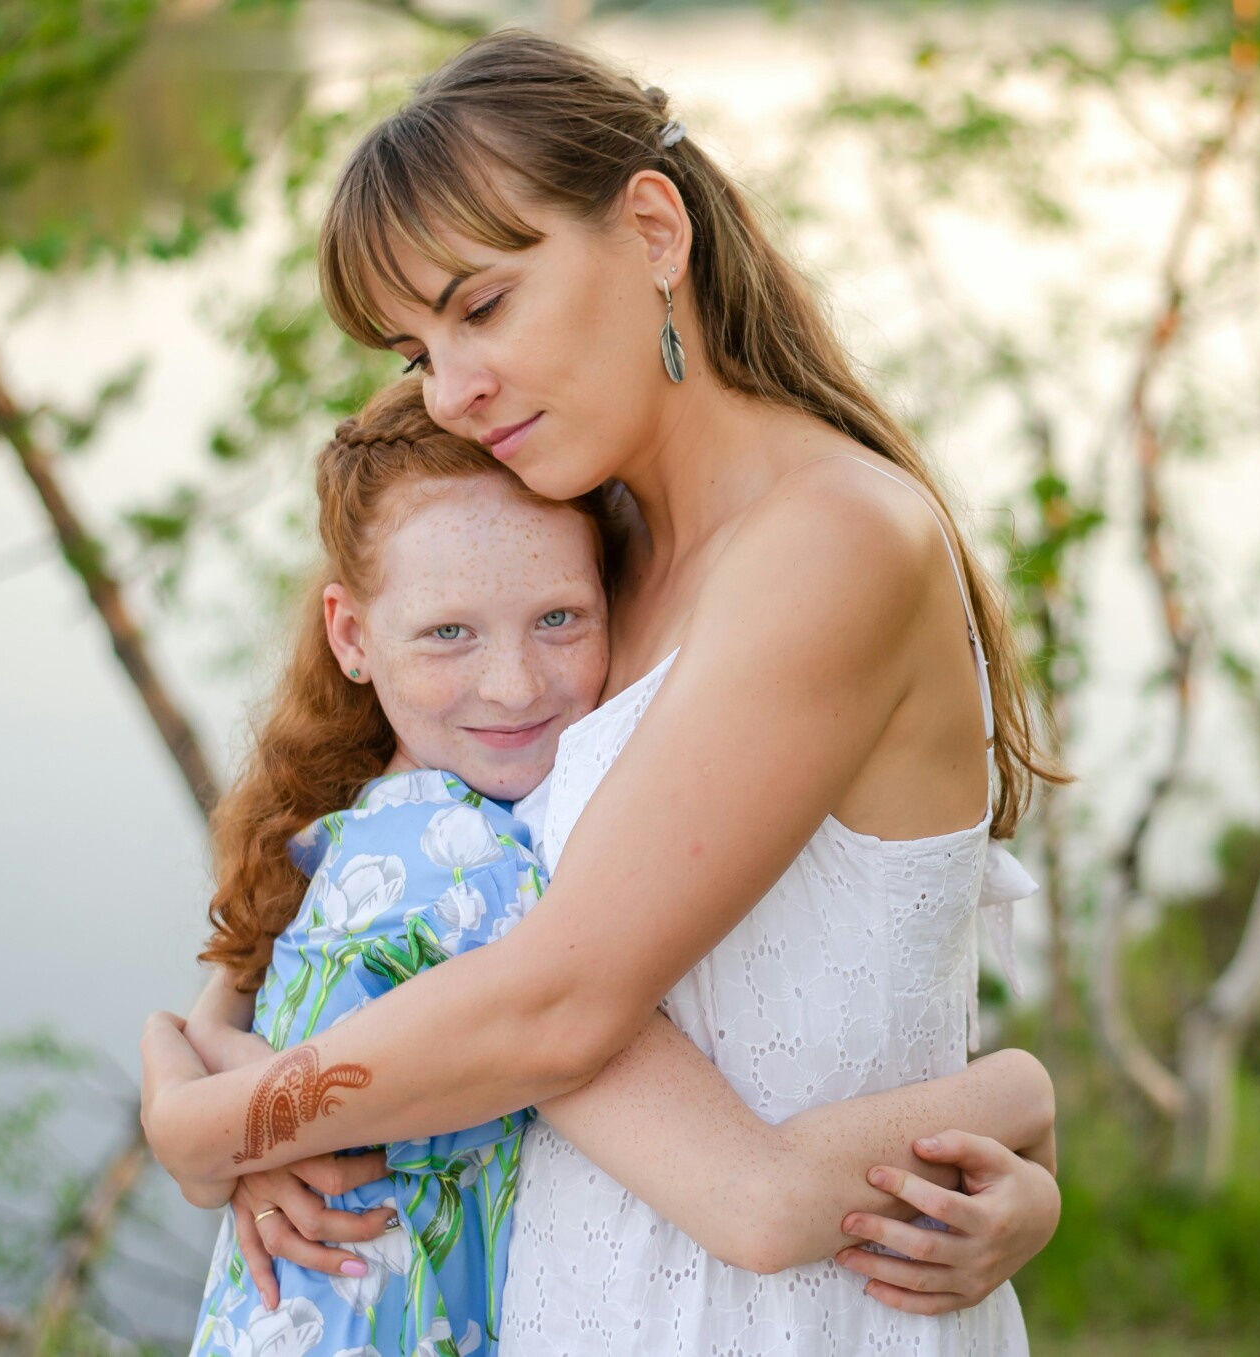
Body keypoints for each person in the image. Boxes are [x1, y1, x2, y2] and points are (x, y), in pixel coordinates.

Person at [142, 27, 1068, 1352]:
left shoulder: (834, 541)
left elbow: (554, 1002)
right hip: (575, 1298)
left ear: (649, 229)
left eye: (481, 306)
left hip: (785, 1315)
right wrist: (203, 1061)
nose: (452, 392)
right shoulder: (582, 565)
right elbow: (369, 879)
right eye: (414, 352)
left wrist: (214, 1124)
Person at [176, 381, 1055, 1350]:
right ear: (351, 636)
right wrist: (1020, 1095)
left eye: (559, 620)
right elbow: (757, 1200)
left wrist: (213, 1118)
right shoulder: (471, 878)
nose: (514, 684)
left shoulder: (345, 838)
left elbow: (209, 1019)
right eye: (448, 633)